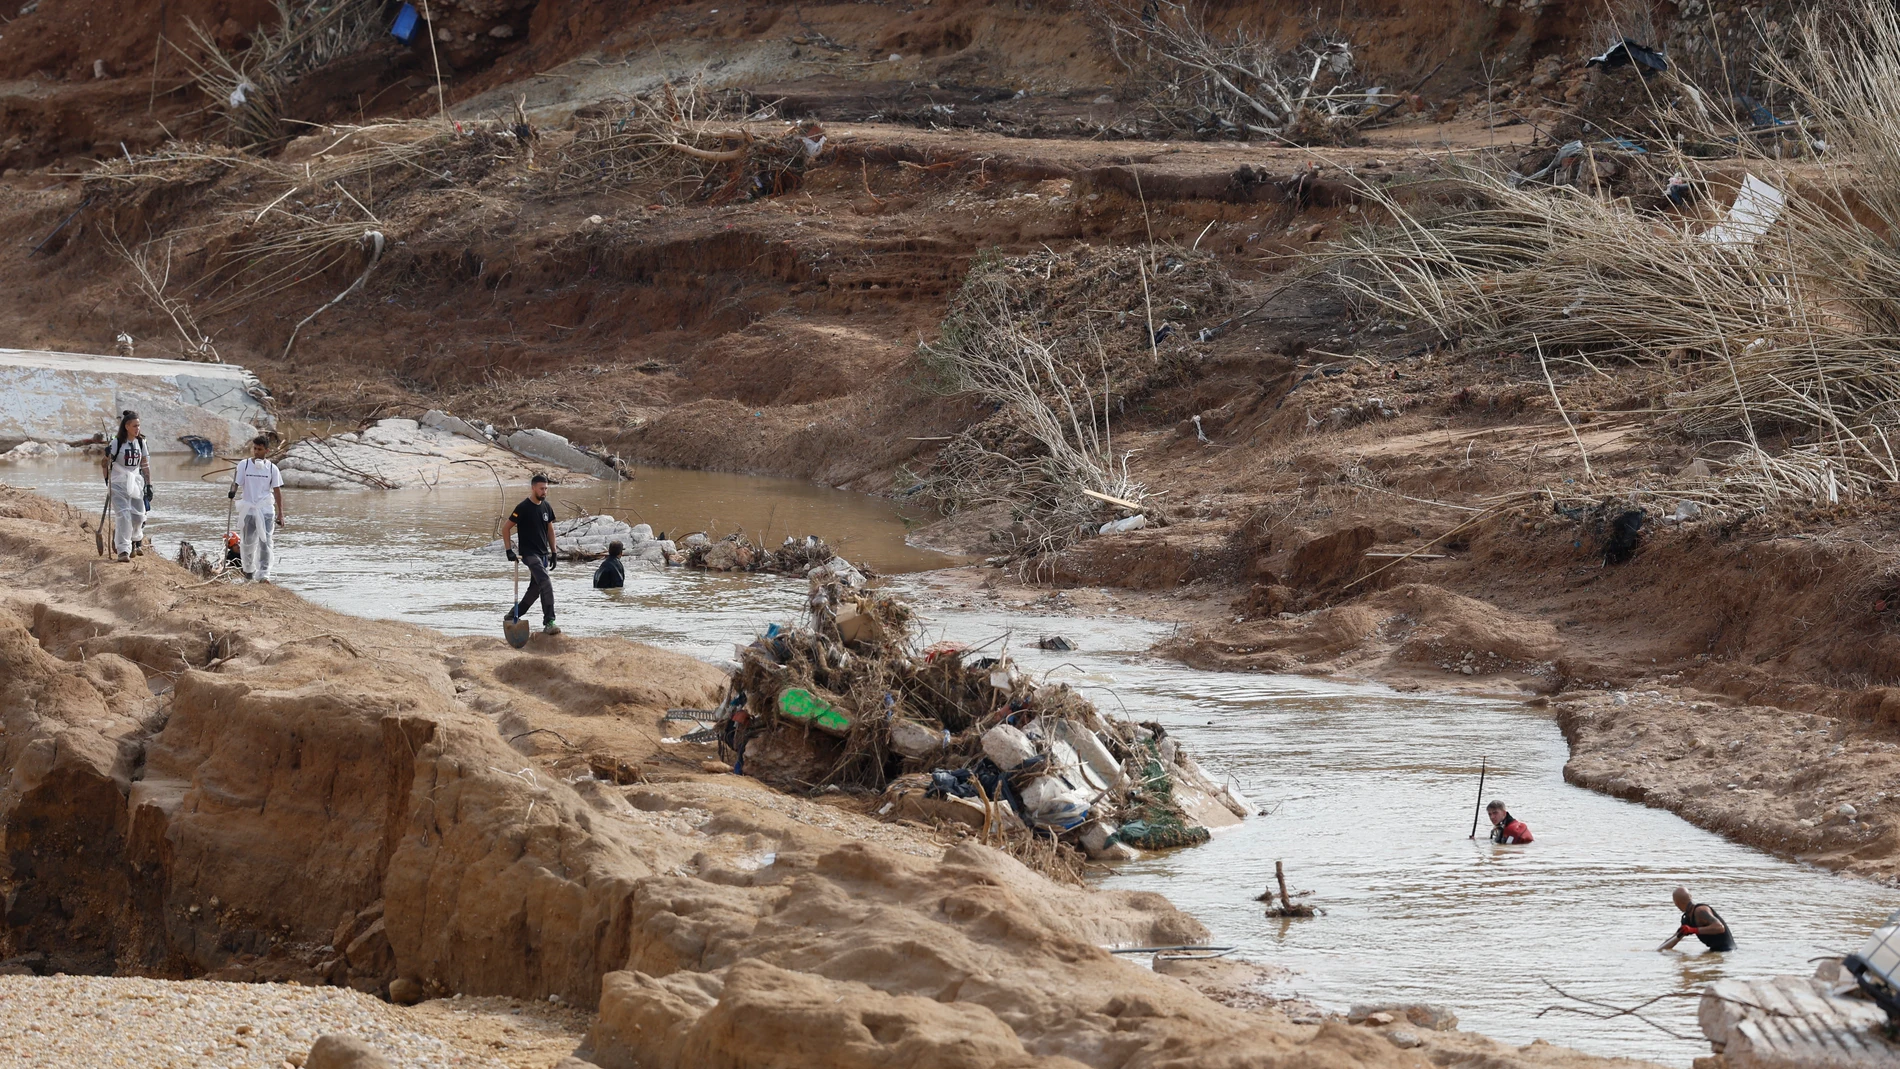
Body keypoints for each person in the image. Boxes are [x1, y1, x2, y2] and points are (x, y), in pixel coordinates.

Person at [501, 473, 560, 636]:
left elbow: (550, 530)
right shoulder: (523, 508)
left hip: (543, 554)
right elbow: (506, 528)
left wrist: (554, 552)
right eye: (541, 489)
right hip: (529, 554)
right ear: (533, 488)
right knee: (545, 582)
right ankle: (549, 622)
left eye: (546, 489)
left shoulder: (546, 506)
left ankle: (513, 615)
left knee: (535, 591)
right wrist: (508, 550)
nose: (544, 492)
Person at [228, 435, 287, 582]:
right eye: (254, 449)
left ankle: (264, 574)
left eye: (259, 449)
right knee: (247, 542)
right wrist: (233, 491)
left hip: (265, 509)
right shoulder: (244, 465)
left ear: (266, 450)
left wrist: (281, 514)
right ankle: (248, 571)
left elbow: (277, 491)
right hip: (248, 509)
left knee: (265, 542)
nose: (256, 452)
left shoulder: (272, 468)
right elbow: (237, 482)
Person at [101, 410, 152, 562]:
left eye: (139, 425)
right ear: (127, 426)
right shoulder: (116, 442)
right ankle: (123, 550)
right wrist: (106, 456)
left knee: (138, 517)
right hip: (117, 483)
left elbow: (145, 464)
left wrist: (149, 485)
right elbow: (104, 464)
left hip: (135, 483)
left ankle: (133, 540)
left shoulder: (141, 442)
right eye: (135, 426)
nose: (138, 429)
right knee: (123, 515)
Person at [1660, 887, 1734, 951]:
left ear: (1676, 903)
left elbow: (1720, 927)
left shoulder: (1700, 911)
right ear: (1690, 897)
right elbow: (1675, 938)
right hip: (1714, 950)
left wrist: (1693, 930)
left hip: (1727, 951)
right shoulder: (1687, 918)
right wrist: (1658, 951)